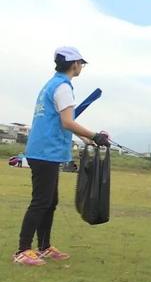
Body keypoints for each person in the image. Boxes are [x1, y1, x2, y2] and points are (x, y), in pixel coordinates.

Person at [14, 47, 110, 266]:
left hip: (45, 150)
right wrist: (95, 135)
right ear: (74, 64)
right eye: (81, 64)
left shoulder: (52, 84)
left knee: (50, 201)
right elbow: (67, 121)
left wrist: (87, 139)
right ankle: (22, 250)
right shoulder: (63, 87)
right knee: (41, 201)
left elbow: (61, 121)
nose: (81, 67)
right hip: (46, 151)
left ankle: (44, 247)